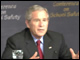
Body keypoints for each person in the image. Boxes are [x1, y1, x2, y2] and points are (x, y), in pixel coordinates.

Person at [2, 5, 79, 59]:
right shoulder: (17, 42)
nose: (41, 24)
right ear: (28, 23)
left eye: (44, 20)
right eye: (37, 20)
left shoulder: (57, 39)